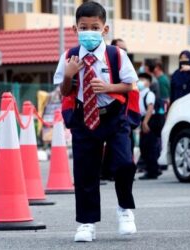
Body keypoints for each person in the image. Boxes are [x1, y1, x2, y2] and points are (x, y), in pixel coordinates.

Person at [53, 1, 137, 242]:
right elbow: (65, 92)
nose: (88, 32)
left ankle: (124, 208)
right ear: (75, 29)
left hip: (112, 115)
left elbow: (130, 84)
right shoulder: (69, 56)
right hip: (83, 117)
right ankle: (87, 223)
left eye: (94, 27)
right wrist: (69, 75)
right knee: (85, 171)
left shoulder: (116, 55)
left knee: (123, 163)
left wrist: (109, 87)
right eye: (83, 27)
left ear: (104, 29)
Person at [101, 38, 131, 181]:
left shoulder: (126, 65)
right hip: (96, 114)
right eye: (121, 48)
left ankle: (125, 200)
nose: (123, 52)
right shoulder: (104, 60)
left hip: (123, 115)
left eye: (126, 49)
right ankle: (106, 172)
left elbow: (130, 87)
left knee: (125, 158)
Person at [137, 73, 162, 180]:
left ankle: (153, 171)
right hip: (144, 119)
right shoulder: (140, 93)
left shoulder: (149, 94)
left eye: (144, 79)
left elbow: (150, 108)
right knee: (144, 146)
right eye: (140, 79)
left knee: (149, 146)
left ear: (149, 83)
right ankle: (152, 169)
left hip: (150, 120)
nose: (141, 82)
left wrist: (145, 122)